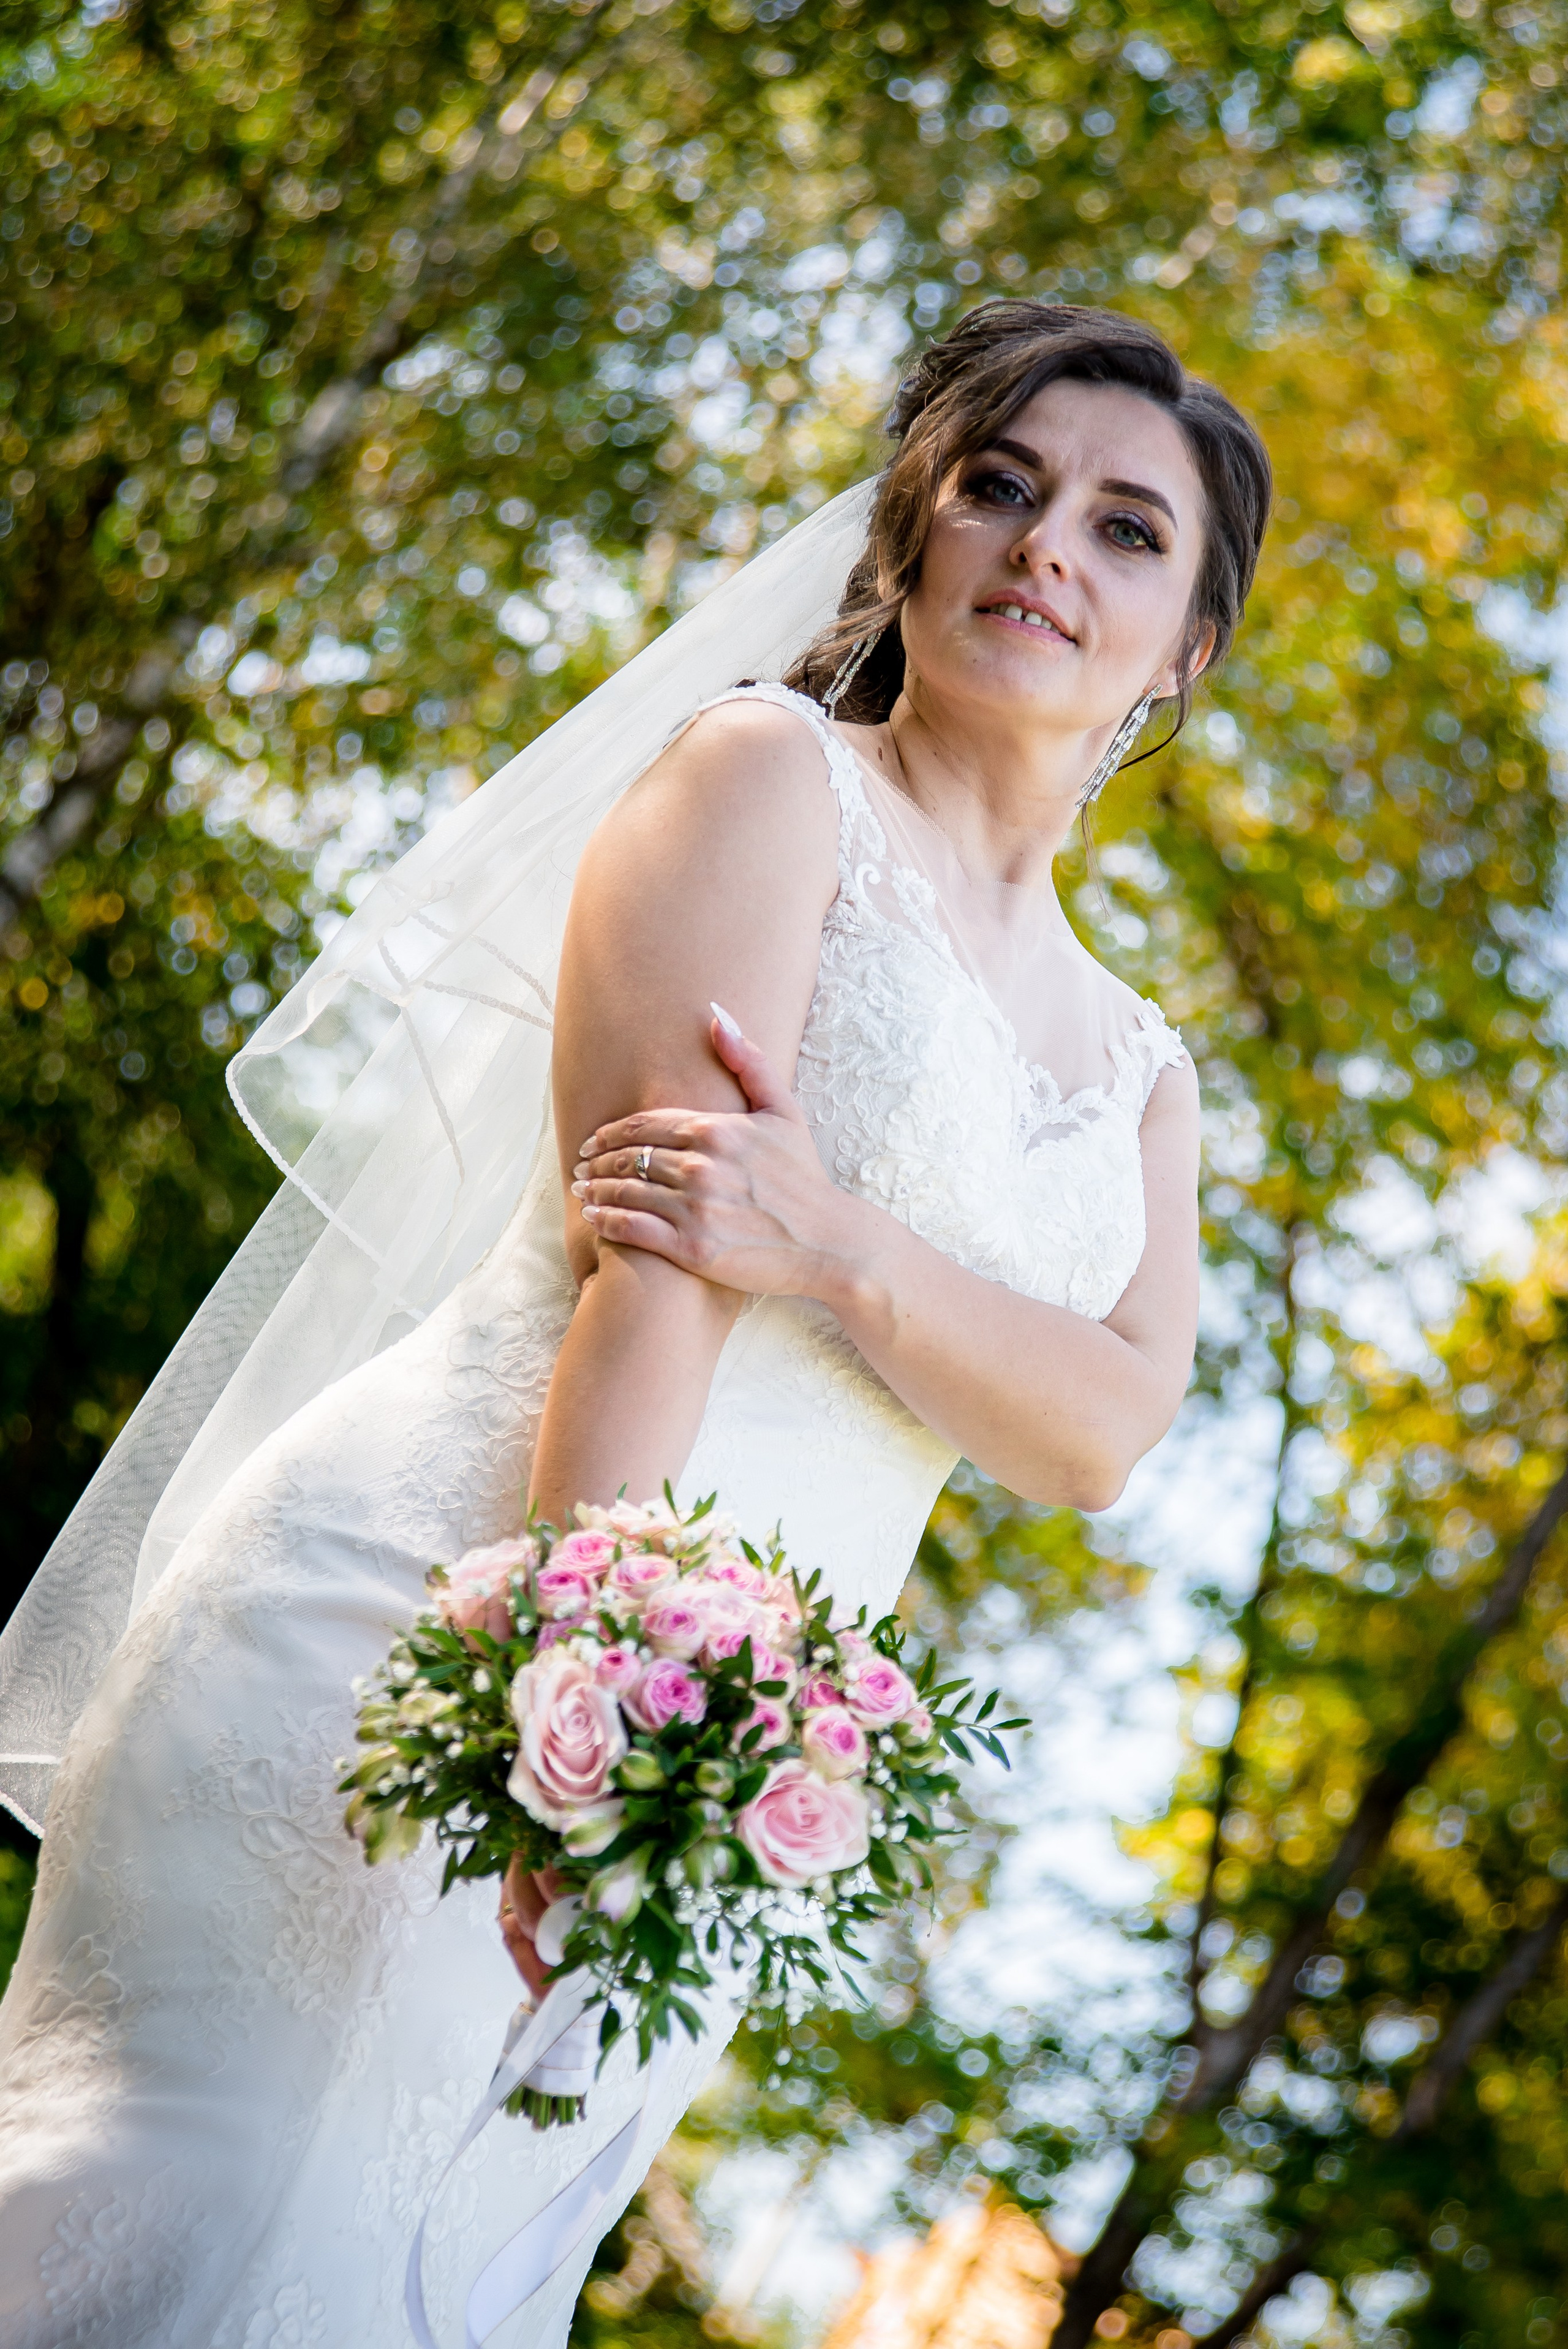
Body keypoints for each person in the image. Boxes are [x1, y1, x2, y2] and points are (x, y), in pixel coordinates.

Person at [0, 301, 1270, 2347]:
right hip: (451, 1615)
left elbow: (1107, 1429)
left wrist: (840, 1244)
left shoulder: (1144, 1072)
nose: (1049, 544)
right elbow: (657, 1268)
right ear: (913, 532)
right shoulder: (772, 783)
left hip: (715, 1772)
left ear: (1188, 644)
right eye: (1002, 486)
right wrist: (556, 1714)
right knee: (206, 2207)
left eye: (1129, 529)